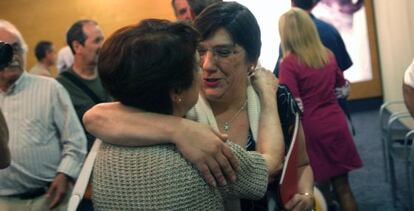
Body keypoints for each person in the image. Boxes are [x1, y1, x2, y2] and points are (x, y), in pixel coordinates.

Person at [84, 2, 314, 211]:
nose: (207, 65)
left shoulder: (278, 96)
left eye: (223, 52)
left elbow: (301, 164)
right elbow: (95, 117)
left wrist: (305, 193)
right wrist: (179, 129)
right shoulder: (176, 106)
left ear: (252, 59)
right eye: (200, 53)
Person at [278, 8, 362, 211]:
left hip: (312, 131)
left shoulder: (288, 64)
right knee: (344, 188)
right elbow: (342, 89)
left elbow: (292, 105)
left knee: (321, 192)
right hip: (336, 123)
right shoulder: (328, 56)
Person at [0, 19, 87, 211]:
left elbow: (75, 140)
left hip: (49, 199)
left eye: (16, 48)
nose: (12, 55)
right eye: (3, 49)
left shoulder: (50, 88)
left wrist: (65, 174)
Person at [56, 20, 111, 151]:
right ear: (77, 47)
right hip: (86, 162)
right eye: (97, 41)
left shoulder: (111, 74)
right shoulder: (60, 87)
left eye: (102, 40)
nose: (102, 46)